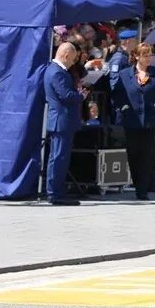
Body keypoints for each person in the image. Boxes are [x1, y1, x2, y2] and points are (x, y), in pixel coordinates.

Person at [111, 43, 155, 200]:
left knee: (146, 153)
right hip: (131, 119)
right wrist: (123, 107)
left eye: (150, 55)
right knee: (133, 153)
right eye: (145, 55)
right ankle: (137, 182)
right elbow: (117, 93)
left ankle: (142, 189)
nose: (149, 58)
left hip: (150, 120)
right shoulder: (125, 74)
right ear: (137, 56)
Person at [43, 42, 84, 205]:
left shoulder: (55, 70)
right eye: (73, 59)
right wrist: (81, 95)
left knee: (59, 156)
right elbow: (66, 95)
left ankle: (56, 191)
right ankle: (54, 193)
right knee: (58, 157)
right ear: (66, 55)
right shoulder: (57, 72)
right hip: (61, 120)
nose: (73, 63)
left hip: (61, 120)